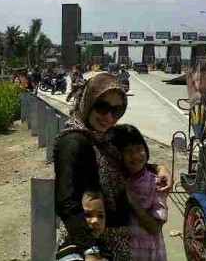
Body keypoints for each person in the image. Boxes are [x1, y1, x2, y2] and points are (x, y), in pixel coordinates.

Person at [53, 73, 173, 261]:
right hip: (90, 242)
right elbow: (66, 202)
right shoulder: (74, 142)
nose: (109, 117)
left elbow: (130, 160)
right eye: (102, 107)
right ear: (89, 102)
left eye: (116, 110)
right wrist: (91, 251)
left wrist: (158, 168)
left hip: (116, 242)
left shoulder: (107, 139)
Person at [112, 124, 168, 261]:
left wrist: (132, 201)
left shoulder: (156, 183)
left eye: (139, 149)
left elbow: (155, 228)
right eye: (128, 151)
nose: (136, 156)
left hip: (148, 255)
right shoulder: (112, 180)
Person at [56, 189, 111, 261]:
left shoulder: (105, 250)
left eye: (100, 216)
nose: (95, 221)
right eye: (88, 215)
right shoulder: (70, 249)